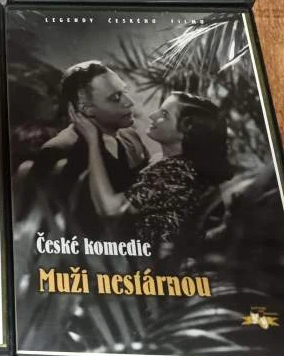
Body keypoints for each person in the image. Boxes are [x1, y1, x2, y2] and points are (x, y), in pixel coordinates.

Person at [71, 92, 231, 250]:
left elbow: (111, 208)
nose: (153, 116)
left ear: (186, 130)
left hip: (166, 264)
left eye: (164, 115)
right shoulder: (163, 161)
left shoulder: (177, 172)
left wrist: (92, 140)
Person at [26, 60, 148, 239]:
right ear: (87, 108)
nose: (129, 103)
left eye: (125, 92)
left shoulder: (130, 137)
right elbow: (45, 225)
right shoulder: (58, 151)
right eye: (115, 98)